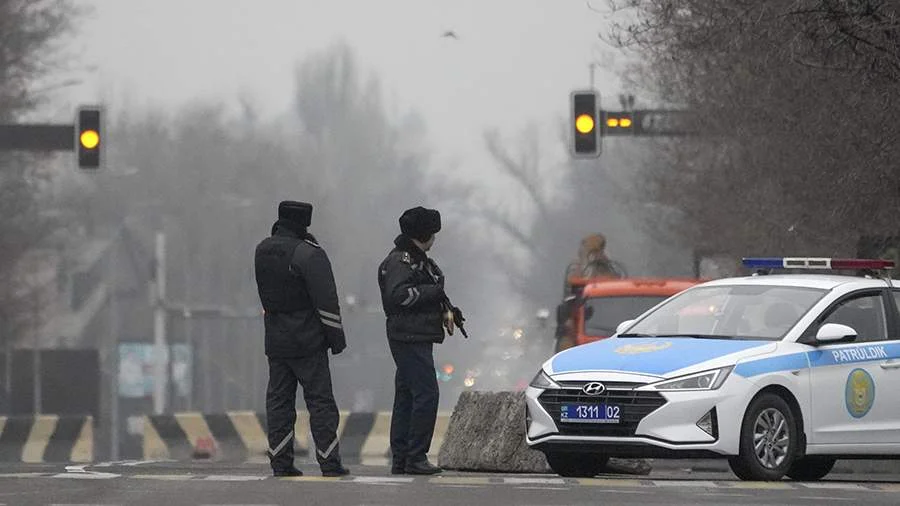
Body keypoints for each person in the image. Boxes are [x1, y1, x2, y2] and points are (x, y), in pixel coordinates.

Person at [254, 201, 349, 478]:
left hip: (275, 340)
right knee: (320, 402)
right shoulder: (309, 255)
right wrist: (336, 339)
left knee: (279, 402)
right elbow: (327, 302)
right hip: (308, 341)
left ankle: (281, 462)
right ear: (304, 224)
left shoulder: (262, 250)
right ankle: (329, 462)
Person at [378, 206, 462, 475]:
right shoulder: (401, 261)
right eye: (432, 233)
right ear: (423, 234)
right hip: (408, 336)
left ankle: (402, 458)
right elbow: (399, 296)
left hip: (416, 334)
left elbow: (430, 291)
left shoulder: (418, 260)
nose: (435, 239)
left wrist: (448, 309)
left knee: (406, 396)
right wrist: (432, 293)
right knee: (427, 394)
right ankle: (416, 456)